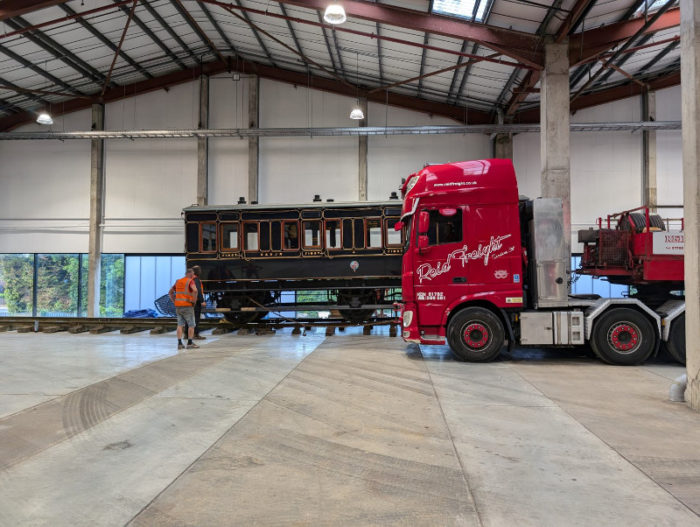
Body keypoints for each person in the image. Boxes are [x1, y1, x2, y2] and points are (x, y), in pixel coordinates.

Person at [169, 268, 199, 350]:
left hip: (178, 306)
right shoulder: (190, 281)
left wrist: (174, 301)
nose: (193, 276)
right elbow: (195, 291)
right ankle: (189, 343)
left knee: (180, 325)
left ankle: (179, 344)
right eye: (193, 274)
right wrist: (194, 301)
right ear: (190, 274)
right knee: (191, 325)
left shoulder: (178, 281)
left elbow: (170, 292)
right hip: (187, 306)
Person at [191, 265, 206, 340]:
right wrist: (202, 301)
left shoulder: (189, 279)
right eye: (199, 270)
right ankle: (195, 334)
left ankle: (187, 335)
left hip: (189, 302)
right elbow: (198, 291)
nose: (201, 271)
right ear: (197, 272)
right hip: (195, 302)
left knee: (190, 318)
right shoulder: (196, 279)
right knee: (196, 318)